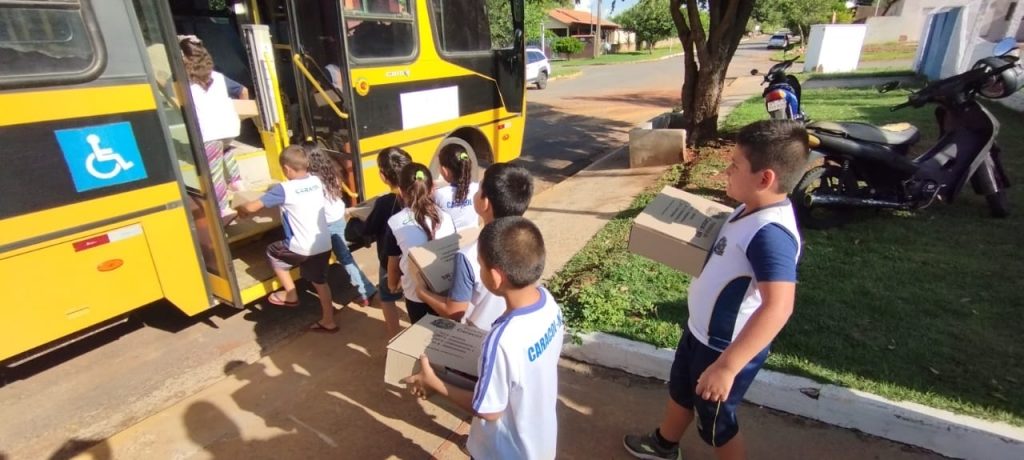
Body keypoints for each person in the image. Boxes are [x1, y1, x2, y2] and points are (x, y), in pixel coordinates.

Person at [622, 120, 809, 460]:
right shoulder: (748, 208)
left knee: (716, 423)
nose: (726, 170)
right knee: (681, 391)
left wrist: (727, 366)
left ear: (765, 178)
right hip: (699, 334)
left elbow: (779, 307)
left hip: (723, 348)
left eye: (735, 165)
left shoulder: (771, 235)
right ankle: (664, 444)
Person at [404, 217, 563, 460]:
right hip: (540, 443)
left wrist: (433, 382)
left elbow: (488, 410)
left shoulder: (501, 341)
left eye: (479, 264)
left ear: (496, 278)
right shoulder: (548, 303)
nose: (478, 269)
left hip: (503, 452)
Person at [416, 163, 534, 330]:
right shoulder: (529, 241)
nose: (476, 193)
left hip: (480, 335)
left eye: (479, 190)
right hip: (515, 326)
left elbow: (454, 312)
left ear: (485, 203)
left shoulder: (469, 255)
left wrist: (421, 292)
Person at [235, 146, 338, 333]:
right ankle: (328, 321)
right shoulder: (317, 181)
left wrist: (241, 207)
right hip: (322, 243)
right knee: (321, 283)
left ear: (286, 169)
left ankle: (290, 293)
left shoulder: (284, 189)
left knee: (272, 252)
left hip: (300, 247)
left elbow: (252, 208)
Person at [304, 142, 376, 306]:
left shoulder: (313, 181)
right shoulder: (330, 171)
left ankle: (366, 291)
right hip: (338, 218)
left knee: (345, 259)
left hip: (329, 224)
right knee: (344, 257)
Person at [179, 35, 242, 223]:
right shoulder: (219, 77)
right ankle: (237, 182)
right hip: (228, 127)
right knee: (226, 151)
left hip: (209, 133)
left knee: (214, 173)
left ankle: (224, 209)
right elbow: (241, 90)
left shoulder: (185, 81)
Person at [386, 163, 457, 324]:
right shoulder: (446, 216)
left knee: (421, 333)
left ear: (401, 190)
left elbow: (393, 260)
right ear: (432, 188)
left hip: (415, 292)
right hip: (445, 288)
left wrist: (392, 284)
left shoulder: (395, 222)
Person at [360, 148, 412, 338]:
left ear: (383, 176)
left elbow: (368, 229)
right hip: (416, 261)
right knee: (413, 297)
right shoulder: (422, 195)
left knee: (388, 298)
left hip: (389, 262)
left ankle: (394, 338)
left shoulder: (384, 203)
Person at [433, 144, 480, 230]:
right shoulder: (477, 188)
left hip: (450, 242)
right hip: (474, 240)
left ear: (444, 171)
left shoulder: (438, 194)